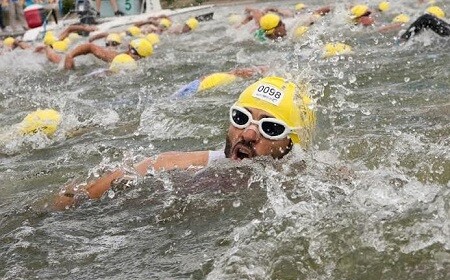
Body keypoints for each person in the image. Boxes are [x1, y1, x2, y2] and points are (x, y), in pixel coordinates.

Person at [52, 76, 316, 209]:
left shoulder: (314, 186)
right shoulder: (171, 166)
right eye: (241, 117)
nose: (247, 134)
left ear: (291, 142)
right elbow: (75, 198)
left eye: (270, 127)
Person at [64, 37, 153, 70]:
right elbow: (90, 47)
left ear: (142, 57)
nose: (129, 52)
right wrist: (70, 55)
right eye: (130, 48)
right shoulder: (114, 56)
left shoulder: (142, 67)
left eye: (133, 52)